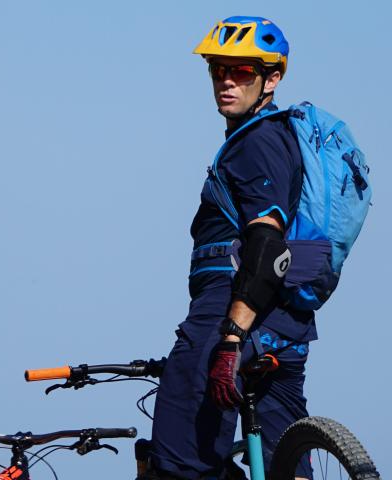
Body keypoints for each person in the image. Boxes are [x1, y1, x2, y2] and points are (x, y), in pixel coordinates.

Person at [149, 17, 315, 479]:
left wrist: (230, 336)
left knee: (179, 460)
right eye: (218, 69)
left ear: (272, 78)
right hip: (287, 320)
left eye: (242, 71)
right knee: (289, 466)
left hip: (231, 308)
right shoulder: (284, 138)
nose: (226, 80)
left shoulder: (255, 141)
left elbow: (266, 243)